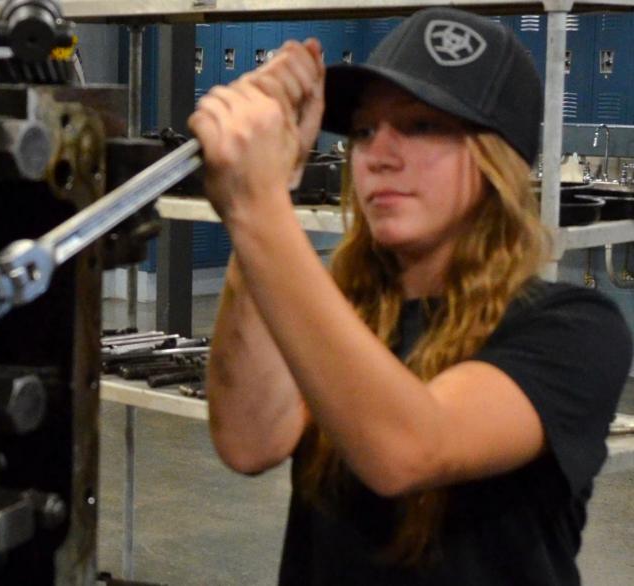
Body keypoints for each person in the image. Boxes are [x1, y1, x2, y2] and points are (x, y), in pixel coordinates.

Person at [187, 7, 632, 584]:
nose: (379, 154)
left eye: (421, 126)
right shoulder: (341, 313)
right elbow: (249, 441)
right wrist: (275, 192)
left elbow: (409, 449)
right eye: (366, 130)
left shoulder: (573, 332)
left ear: (495, 161)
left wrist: (258, 203)